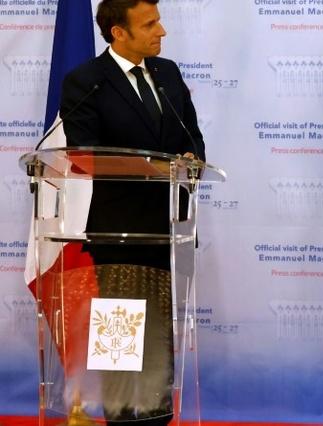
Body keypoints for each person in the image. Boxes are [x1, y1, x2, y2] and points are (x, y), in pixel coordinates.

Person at [59, 0, 204, 425]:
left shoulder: (168, 73)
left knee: (159, 336)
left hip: (169, 227)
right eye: (150, 24)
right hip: (120, 232)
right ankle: (121, 418)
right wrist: (154, 167)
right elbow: (86, 155)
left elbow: (192, 135)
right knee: (121, 337)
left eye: (159, 21)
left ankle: (158, 417)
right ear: (118, 32)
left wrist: (192, 157)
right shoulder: (86, 81)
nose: (162, 31)